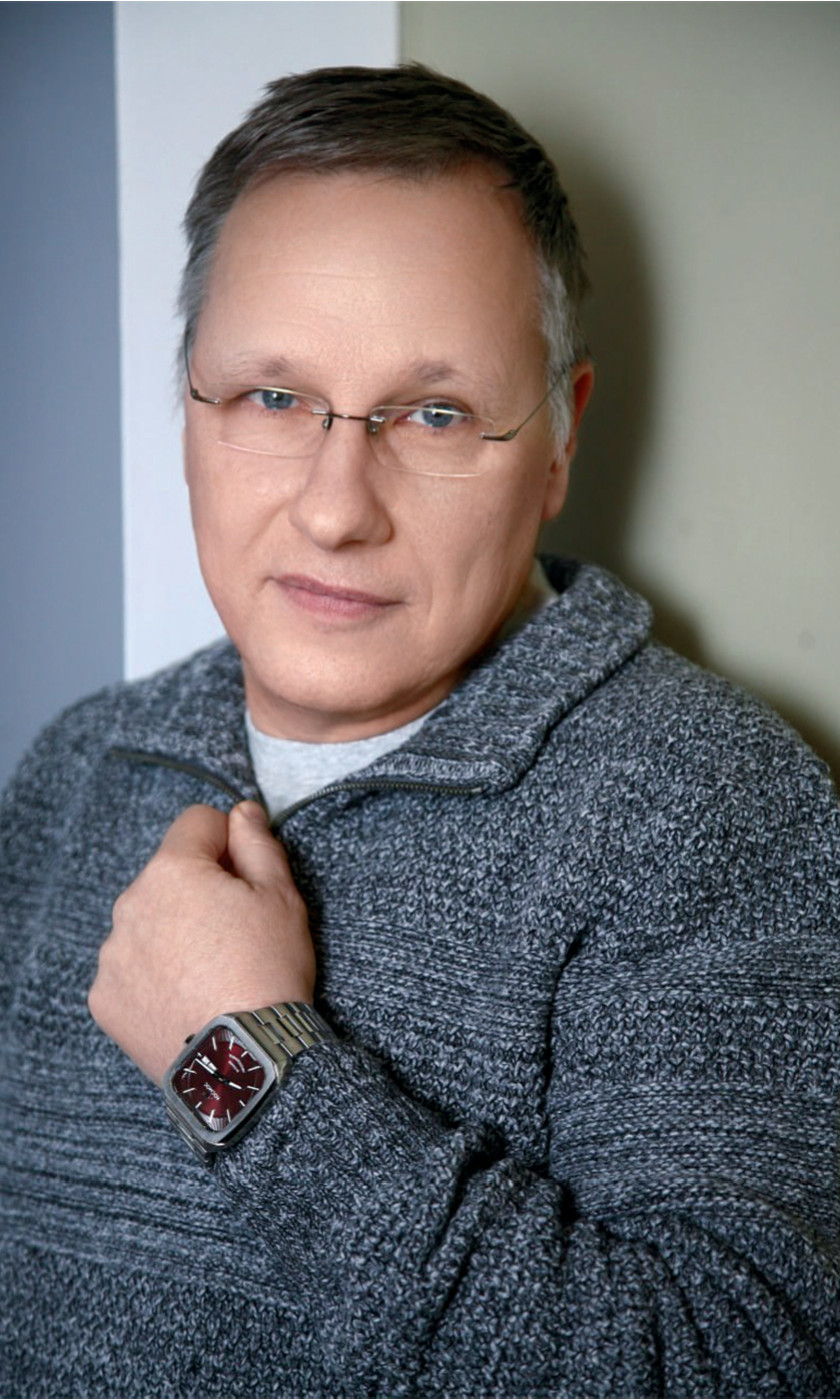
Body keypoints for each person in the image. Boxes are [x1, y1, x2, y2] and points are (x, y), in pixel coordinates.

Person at [1, 63, 839, 1398]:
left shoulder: (710, 807)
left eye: (434, 414)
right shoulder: (74, 766)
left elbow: (738, 1367)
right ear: (189, 408)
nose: (339, 508)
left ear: (558, 441)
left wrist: (247, 1063)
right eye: (273, 398)